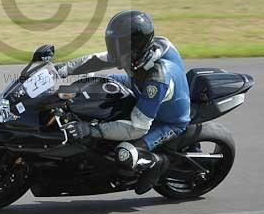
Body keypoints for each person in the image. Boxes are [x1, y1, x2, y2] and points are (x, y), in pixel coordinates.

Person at [58, 10, 190, 194]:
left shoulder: (157, 78)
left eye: (118, 45)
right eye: (113, 44)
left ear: (135, 45)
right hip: (137, 87)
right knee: (93, 84)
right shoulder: (139, 53)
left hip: (166, 121)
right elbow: (97, 60)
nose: (114, 50)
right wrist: (60, 70)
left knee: (125, 154)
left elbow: (138, 127)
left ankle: (159, 162)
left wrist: (90, 129)